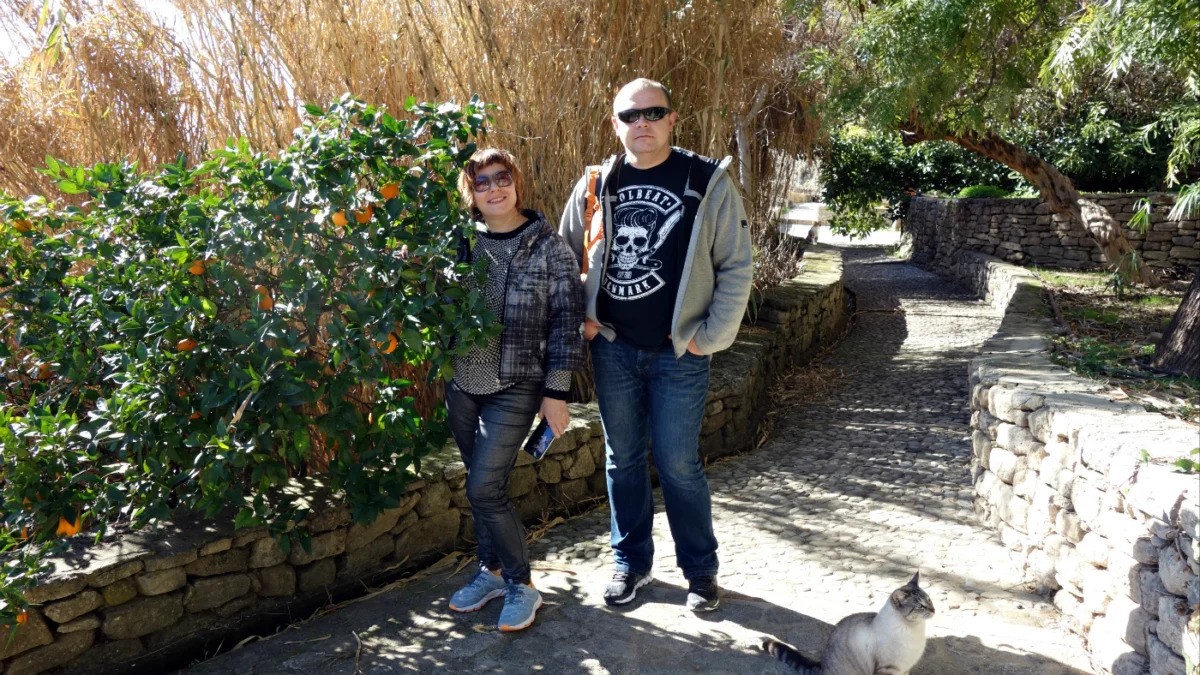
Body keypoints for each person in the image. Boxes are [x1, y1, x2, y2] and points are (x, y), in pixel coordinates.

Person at [559, 78, 753, 612]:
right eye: (629, 115)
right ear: (615, 124)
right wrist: (584, 319)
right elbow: (566, 257)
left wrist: (708, 338)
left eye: (652, 112)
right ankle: (631, 563)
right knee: (622, 460)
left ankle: (700, 571)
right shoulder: (597, 184)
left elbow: (736, 264)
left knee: (678, 464)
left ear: (671, 119)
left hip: (679, 354)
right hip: (613, 348)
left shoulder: (706, 181)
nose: (640, 123)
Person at [445, 148, 584, 632]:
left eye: (501, 177)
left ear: (516, 182)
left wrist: (556, 393)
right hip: (462, 382)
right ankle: (491, 571)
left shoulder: (548, 246)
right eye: (481, 182)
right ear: (471, 194)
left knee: (484, 488)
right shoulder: (459, 241)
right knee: (480, 484)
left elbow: (567, 322)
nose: (493, 188)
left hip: (516, 383)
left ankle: (521, 585)